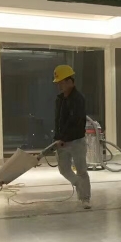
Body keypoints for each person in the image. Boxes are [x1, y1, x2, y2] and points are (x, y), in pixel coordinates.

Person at [53, 65, 91, 209]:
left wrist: (63, 137)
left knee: (81, 170)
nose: (59, 86)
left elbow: (75, 121)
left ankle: (85, 199)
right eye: (58, 83)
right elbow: (58, 121)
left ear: (70, 81)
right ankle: (78, 183)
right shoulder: (60, 99)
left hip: (76, 141)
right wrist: (57, 137)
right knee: (63, 169)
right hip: (61, 141)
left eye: (61, 82)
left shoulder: (78, 99)